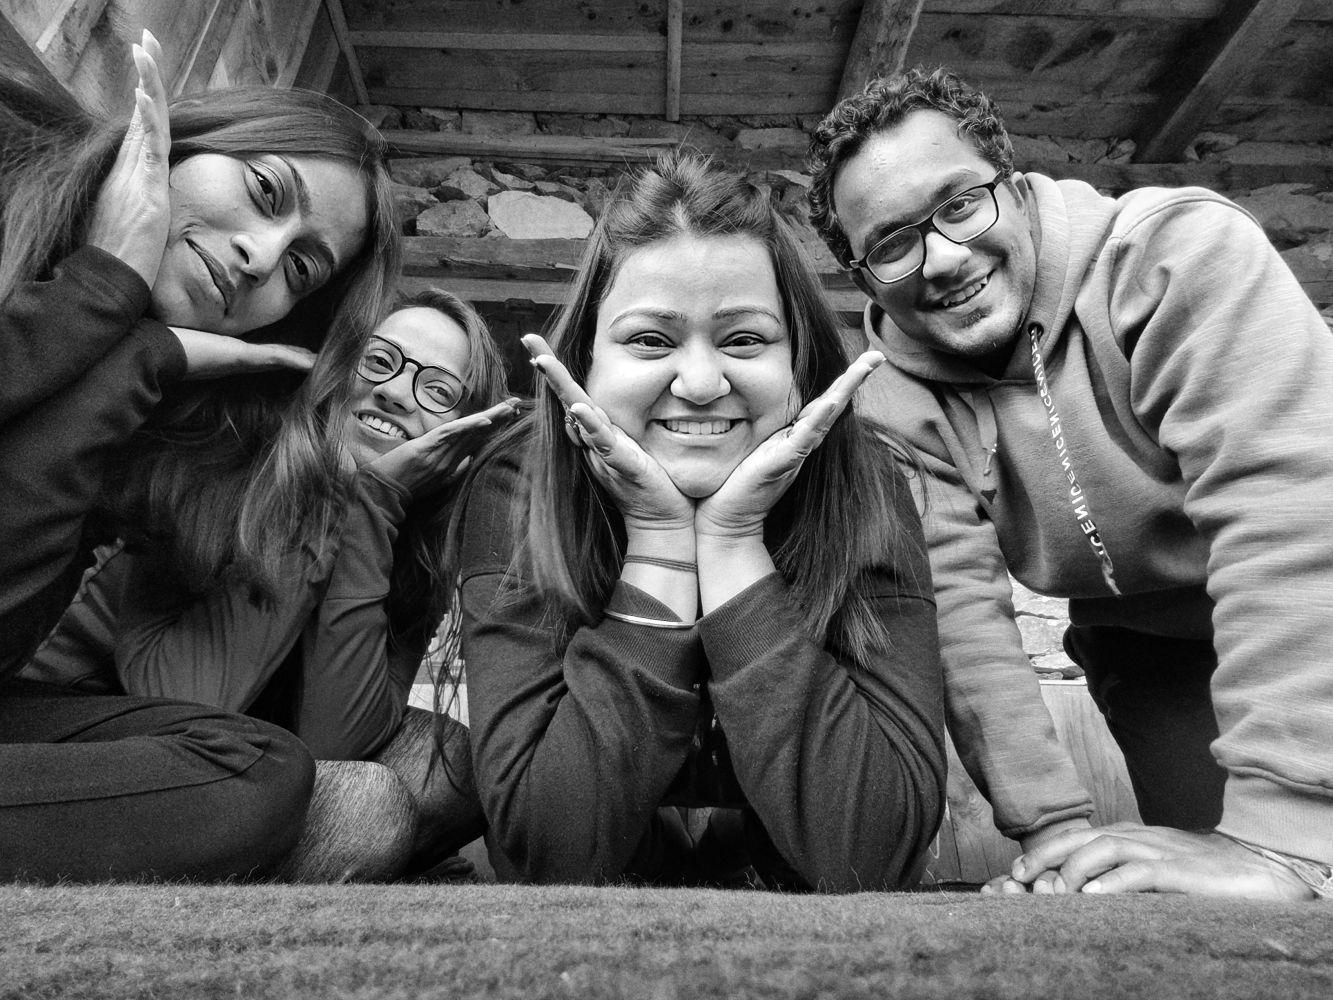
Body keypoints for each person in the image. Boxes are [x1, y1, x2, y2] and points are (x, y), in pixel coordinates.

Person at [806, 66, 1333, 900]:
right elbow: (962, 625)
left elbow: (1288, 517)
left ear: (1014, 188)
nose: (943, 258)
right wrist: (1055, 840)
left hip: (1300, 605)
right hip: (1143, 645)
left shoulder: (1177, 253)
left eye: (959, 204)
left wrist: (1284, 829)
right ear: (863, 276)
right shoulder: (886, 403)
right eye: (892, 244)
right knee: (1199, 909)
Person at [454, 153, 945, 890]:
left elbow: (875, 853)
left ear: (799, 362)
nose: (702, 383)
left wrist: (731, 545)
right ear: (587, 360)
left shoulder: (864, 484)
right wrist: (657, 546)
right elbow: (545, 851)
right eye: (650, 340)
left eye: (744, 339)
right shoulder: (520, 484)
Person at [0, 32, 399, 881]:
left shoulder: (164, 417)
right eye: (264, 190)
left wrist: (137, 357)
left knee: (268, 773)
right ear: (187, 139)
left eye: (302, 267)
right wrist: (98, 286)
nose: (261, 257)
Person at [24, 289, 518, 881]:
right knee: (366, 807)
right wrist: (333, 496)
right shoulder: (221, 463)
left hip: (255, 767)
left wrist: (371, 511)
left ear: (463, 434)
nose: (394, 391)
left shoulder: (413, 546)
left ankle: (293, 870)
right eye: (378, 360)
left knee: (451, 760)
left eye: (438, 390)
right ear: (336, 365)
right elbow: (195, 707)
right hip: (79, 753)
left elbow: (336, 743)